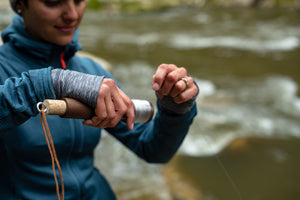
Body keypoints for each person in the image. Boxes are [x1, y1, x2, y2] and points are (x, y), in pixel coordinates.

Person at [0, 0, 199, 199]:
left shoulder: (92, 71)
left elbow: (153, 150)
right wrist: (48, 83)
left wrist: (175, 110)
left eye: (78, 1)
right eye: (53, 2)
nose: (72, 14)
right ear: (20, 5)